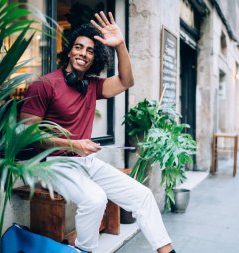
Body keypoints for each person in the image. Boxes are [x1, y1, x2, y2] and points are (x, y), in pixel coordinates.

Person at [20, 11, 176, 253]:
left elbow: (126, 82)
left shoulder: (92, 86)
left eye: (90, 50)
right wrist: (73, 145)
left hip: (87, 161)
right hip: (53, 163)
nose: (83, 53)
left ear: (94, 59)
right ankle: (83, 251)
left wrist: (121, 45)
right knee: (95, 199)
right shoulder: (44, 84)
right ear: (69, 51)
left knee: (142, 195)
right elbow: (27, 135)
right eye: (79, 47)